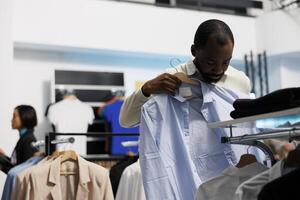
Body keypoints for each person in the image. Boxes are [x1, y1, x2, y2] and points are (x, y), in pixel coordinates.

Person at [120, 19, 251, 128]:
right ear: (194, 51)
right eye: (210, 63)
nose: (218, 70)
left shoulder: (240, 81)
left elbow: (246, 126)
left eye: (226, 62)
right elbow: (126, 121)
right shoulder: (169, 80)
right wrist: (146, 89)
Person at [0, 105, 38, 173]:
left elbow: (23, 173)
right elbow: (18, 164)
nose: (11, 120)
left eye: (14, 116)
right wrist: (4, 156)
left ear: (24, 117)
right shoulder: (25, 138)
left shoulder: (28, 141)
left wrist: (2, 167)